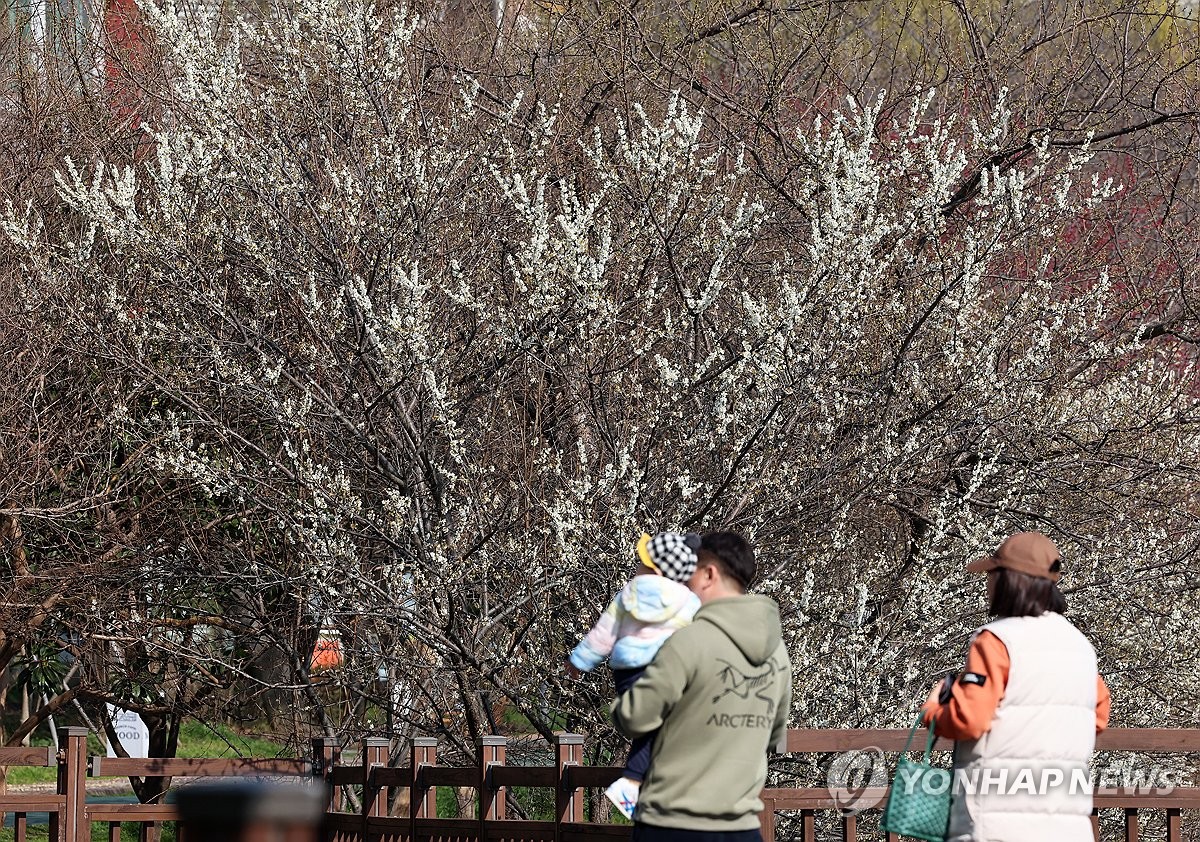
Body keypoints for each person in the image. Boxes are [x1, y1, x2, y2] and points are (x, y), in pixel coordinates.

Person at [921, 531, 1111, 842]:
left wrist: (933, 712)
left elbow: (970, 720)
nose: (987, 583)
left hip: (996, 824)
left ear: (1008, 580)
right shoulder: (1079, 646)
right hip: (1068, 826)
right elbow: (1097, 718)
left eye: (992, 574)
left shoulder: (996, 641)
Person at [610, 531, 792, 842]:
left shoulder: (689, 641)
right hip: (741, 826)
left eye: (689, 574)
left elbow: (635, 717)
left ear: (709, 574)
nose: (682, 584)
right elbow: (775, 733)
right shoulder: (778, 653)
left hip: (672, 822)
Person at [566, 532, 704, 818]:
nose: (637, 567)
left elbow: (604, 633)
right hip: (663, 673)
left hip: (627, 673)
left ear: (654, 568)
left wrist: (579, 661)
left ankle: (637, 782)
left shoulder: (629, 593)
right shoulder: (689, 602)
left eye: (642, 562)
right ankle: (634, 782)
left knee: (653, 727)